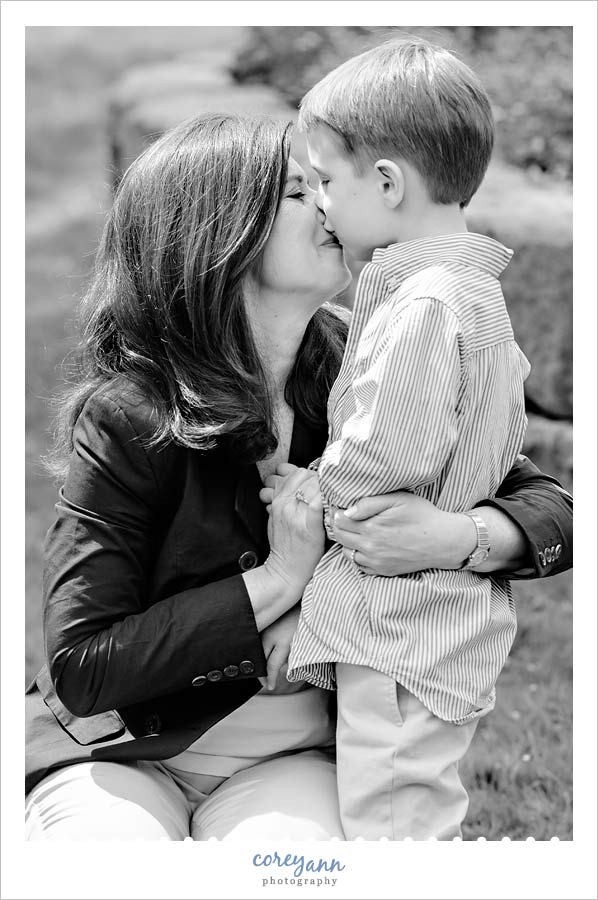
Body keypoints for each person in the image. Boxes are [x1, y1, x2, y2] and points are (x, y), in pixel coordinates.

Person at [25, 112, 572, 842]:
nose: (328, 203)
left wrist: (457, 536)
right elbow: (84, 666)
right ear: (219, 232)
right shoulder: (129, 415)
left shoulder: (376, 355)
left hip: (291, 759)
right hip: (122, 749)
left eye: (322, 184)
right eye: (296, 191)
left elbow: (553, 510)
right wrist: (281, 581)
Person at [286, 38, 550, 840]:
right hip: (423, 612)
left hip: (404, 624)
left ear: (389, 183)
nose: (320, 203)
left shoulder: (425, 303)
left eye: (326, 181)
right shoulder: (466, 292)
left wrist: (311, 487)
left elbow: (382, 455)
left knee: (395, 823)